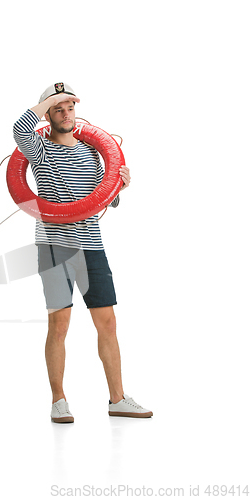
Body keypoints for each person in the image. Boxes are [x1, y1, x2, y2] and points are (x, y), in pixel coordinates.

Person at [13, 82, 153, 423]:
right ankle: (58, 401)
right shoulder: (39, 150)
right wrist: (44, 101)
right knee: (59, 324)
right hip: (54, 247)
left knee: (107, 322)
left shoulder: (93, 152)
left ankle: (117, 399)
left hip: (91, 245)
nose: (66, 112)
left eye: (70, 106)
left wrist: (119, 186)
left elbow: (103, 199)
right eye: (58, 108)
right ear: (47, 112)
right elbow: (18, 129)